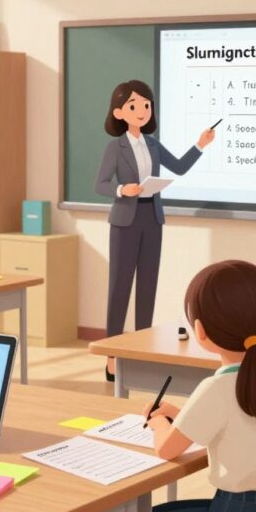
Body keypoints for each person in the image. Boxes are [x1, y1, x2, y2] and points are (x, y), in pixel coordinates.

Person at [139, 260, 256, 512]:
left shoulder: (215, 387)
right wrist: (180, 415)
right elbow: (234, 422)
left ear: (200, 330)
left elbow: (166, 450)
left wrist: (158, 423)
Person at [94, 79, 216, 381]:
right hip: (125, 221)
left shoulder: (152, 144)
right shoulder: (115, 147)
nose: (142, 111)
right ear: (119, 113)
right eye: (134, 105)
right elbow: (99, 184)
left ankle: (140, 351)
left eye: (146, 105)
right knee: (119, 290)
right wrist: (124, 189)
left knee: (147, 287)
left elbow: (179, 167)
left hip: (152, 218)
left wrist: (200, 144)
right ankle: (112, 357)